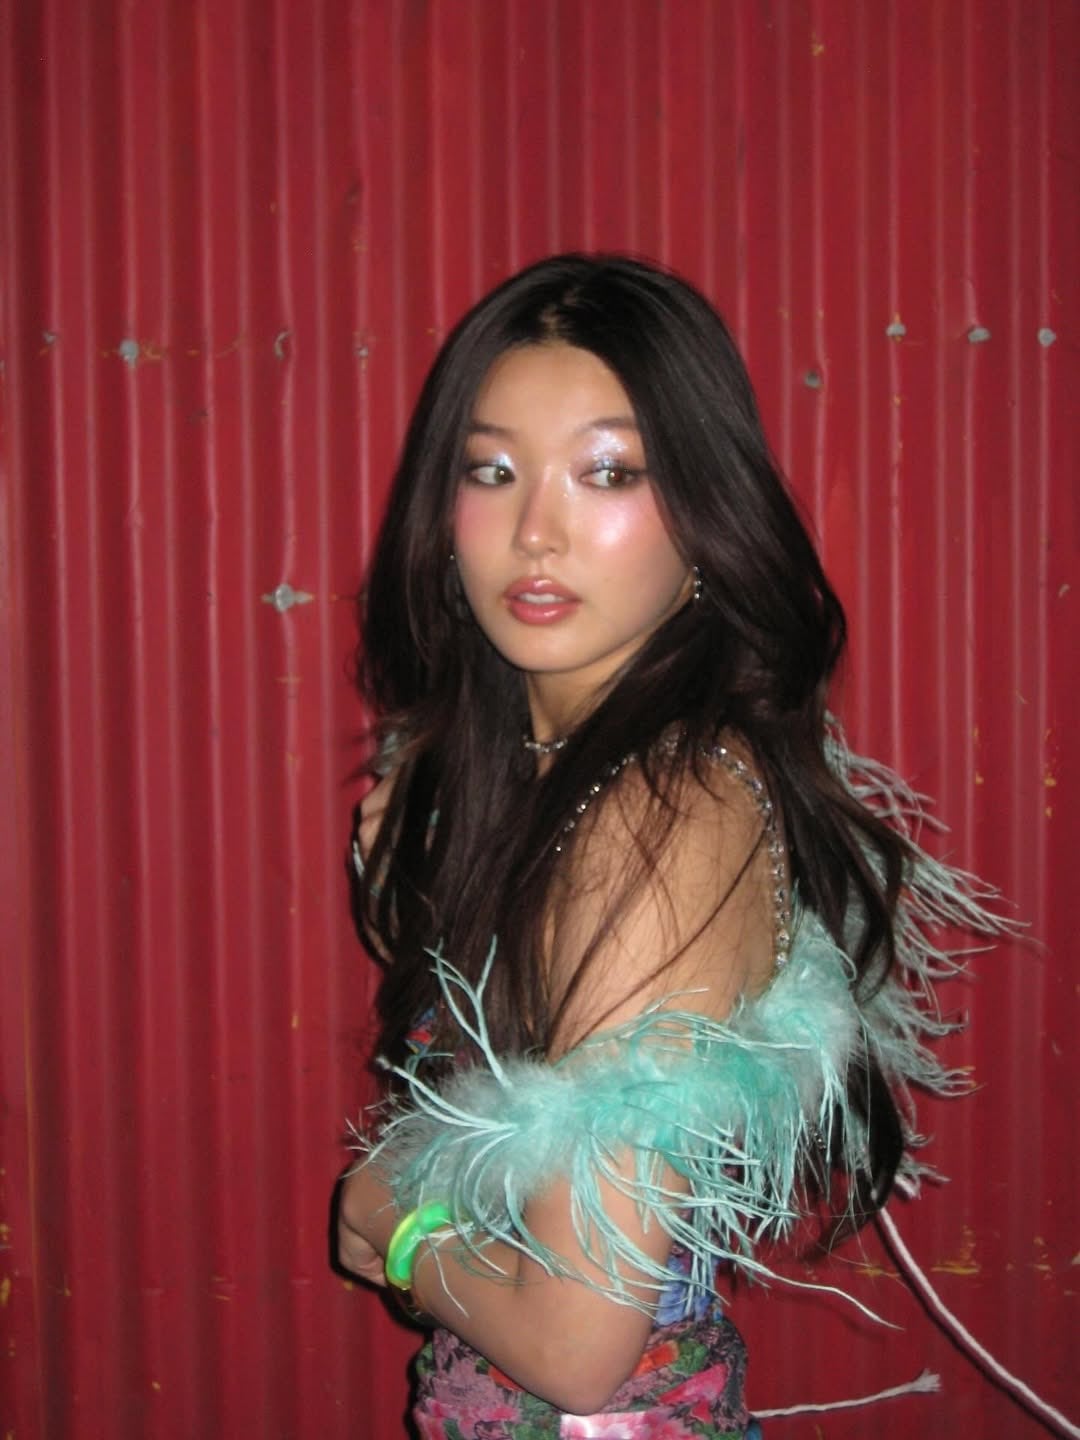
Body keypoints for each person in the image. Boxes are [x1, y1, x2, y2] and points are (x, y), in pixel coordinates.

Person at [335, 254, 999, 1439]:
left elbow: (577, 1347)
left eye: (610, 472)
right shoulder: (533, 776)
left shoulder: (657, 814)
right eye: (492, 470)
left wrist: (394, 1224)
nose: (536, 532)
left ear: (703, 511)